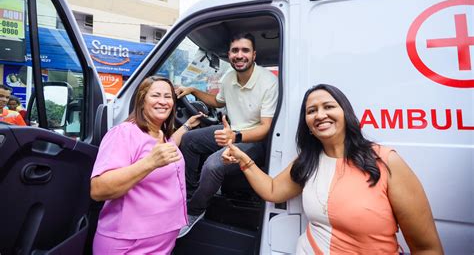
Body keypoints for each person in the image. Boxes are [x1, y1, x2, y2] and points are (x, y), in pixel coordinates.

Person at [222, 84, 443, 254]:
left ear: (345, 113)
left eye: (328, 107)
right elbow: (272, 190)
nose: (320, 115)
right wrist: (244, 159)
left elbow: (427, 248)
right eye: (311, 111)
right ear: (307, 124)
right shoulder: (308, 161)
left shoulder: (385, 161)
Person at [175, 32, 278, 237]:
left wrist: (235, 137)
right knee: (188, 140)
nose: (240, 55)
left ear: (254, 55)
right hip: (231, 130)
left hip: (254, 139)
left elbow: (266, 128)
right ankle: (188, 196)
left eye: (245, 50)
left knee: (213, 165)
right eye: (235, 51)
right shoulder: (228, 77)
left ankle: (195, 210)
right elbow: (217, 102)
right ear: (229, 54)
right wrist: (193, 90)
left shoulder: (268, 82)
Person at [90, 76, 202, 254]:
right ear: (141, 101)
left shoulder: (160, 134)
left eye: (168, 97)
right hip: (129, 245)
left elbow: (170, 147)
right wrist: (149, 163)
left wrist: (187, 126)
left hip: (163, 240)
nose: (163, 101)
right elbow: (99, 189)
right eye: (156, 95)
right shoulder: (124, 133)